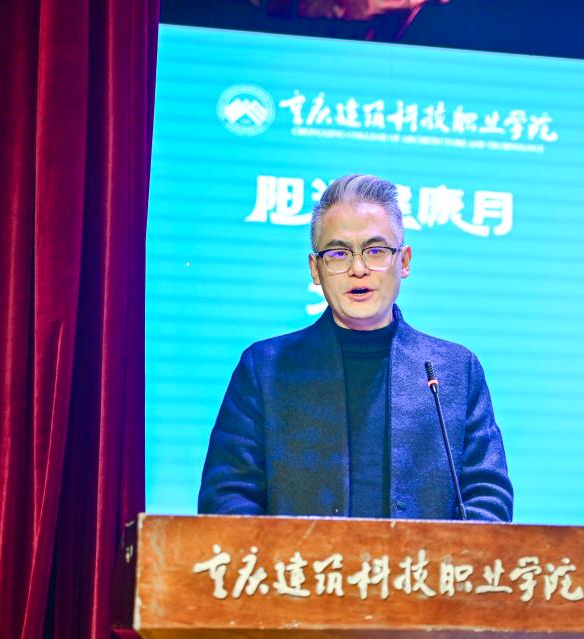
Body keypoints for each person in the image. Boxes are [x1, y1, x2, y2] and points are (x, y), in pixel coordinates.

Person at [198, 174, 512, 521]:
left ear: (404, 261)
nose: (358, 268)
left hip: (424, 559)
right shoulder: (264, 369)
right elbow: (227, 496)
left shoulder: (455, 371)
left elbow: (487, 497)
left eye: (376, 251)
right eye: (338, 253)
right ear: (315, 269)